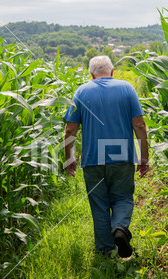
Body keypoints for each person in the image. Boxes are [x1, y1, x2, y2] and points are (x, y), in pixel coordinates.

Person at [63, 55, 149, 258]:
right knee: (123, 198)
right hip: (122, 154)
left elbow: (70, 129)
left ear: (91, 74)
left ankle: (104, 254)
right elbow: (139, 125)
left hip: (93, 157)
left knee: (99, 204)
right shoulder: (127, 88)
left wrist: (69, 157)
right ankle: (119, 228)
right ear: (112, 72)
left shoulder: (81, 91)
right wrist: (144, 157)